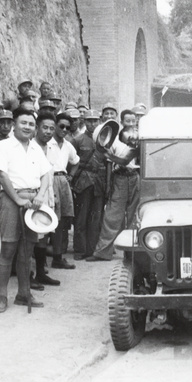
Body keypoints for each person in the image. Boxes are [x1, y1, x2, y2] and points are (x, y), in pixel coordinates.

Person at [0, 108, 51, 313]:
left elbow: (46, 174)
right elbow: (2, 176)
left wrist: (41, 195)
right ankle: (2, 296)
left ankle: (23, 294)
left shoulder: (36, 148)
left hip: (33, 201)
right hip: (11, 199)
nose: (27, 127)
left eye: (31, 124)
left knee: (27, 251)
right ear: (14, 125)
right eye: (23, 123)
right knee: (8, 249)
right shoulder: (3, 146)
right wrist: (17, 199)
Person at [87, 110, 139, 262]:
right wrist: (110, 183)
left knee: (134, 216)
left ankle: (134, 253)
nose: (130, 123)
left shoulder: (139, 137)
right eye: (127, 121)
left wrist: (108, 155)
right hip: (120, 179)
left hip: (135, 178)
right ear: (122, 122)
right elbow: (114, 163)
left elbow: (126, 159)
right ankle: (102, 252)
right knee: (112, 216)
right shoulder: (114, 139)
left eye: (133, 121)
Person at [70, 109, 107, 260]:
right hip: (82, 182)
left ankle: (92, 249)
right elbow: (71, 162)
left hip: (99, 183)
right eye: (89, 120)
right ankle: (80, 250)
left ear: (99, 121)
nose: (92, 123)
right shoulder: (78, 140)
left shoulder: (104, 140)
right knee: (81, 217)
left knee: (96, 218)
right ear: (84, 122)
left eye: (95, 120)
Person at [30, 112, 61, 287]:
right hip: (33, 197)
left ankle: (40, 273)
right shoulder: (30, 146)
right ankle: (28, 275)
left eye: (51, 128)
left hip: (47, 197)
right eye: (45, 127)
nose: (48, 132)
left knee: (43, 237)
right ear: (37, 128)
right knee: (30, 238)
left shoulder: (51, 148)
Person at [47, 113, 80, 269]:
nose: (64, 130)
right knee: (50, 218)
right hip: (48, 180)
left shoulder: (67, 145)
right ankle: (43, 258)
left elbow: (76, 161)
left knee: (63, 220)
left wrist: (71, 176)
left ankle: (58, 257)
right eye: (61, 126)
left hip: (63, 181)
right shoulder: (46, 143)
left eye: (68, 127)